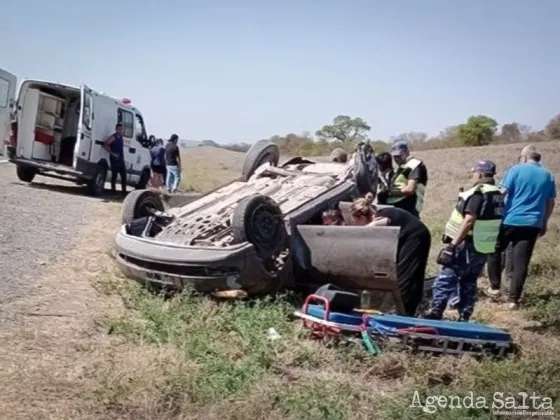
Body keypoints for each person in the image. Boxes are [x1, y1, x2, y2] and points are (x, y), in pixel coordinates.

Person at [423, 159, 504, 321]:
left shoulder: (478, 193)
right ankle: (465, 315)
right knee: (469, 282)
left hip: (466, 244)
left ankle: (435, 312)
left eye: (474, 172)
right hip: (483, 246)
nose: (473, 175)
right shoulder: (497, 193)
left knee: (446, 277)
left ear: (480, 174)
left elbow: (469, 220)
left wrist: (452, 246)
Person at [485, 145, 556, 310]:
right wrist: (544, 221)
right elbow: (550, 202)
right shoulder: (548, 175)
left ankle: (494, 287)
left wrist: (491, 211)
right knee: (521, 262)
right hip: (532, 223)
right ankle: (513, 300)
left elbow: (501, 192)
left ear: (524, 157)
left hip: (510, 219)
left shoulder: (515, 170)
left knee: (494, 250)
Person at [349, 192, 432, 317]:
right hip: (411, 237)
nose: (356, 224)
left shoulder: (381, 217)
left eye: (356, 221)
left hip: (416, 237)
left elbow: (371, 228)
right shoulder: (380, 214)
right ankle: (411, 308)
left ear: (361, 217)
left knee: (406, 276)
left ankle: (406, 313)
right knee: (403, 274)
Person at [385, 141, 428, 218]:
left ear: (407, 152)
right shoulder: (402, 167)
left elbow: (410, 189)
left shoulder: (415, 165)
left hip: (410, 208)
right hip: (399, 206)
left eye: (399, 155)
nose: (396, 159)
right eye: (394, 156)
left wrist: (390, 193)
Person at [103, 123, 127, 196]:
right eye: (118, 129)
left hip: (121, 159)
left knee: (124, 176)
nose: (120, 131)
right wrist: (112, 153)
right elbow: (105, 144)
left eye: (121, 129)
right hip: (114, 159)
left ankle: (124, 192)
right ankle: (113, 191)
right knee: (114, 175)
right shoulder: (114, 137)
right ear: (116, 129)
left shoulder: (121, 137)